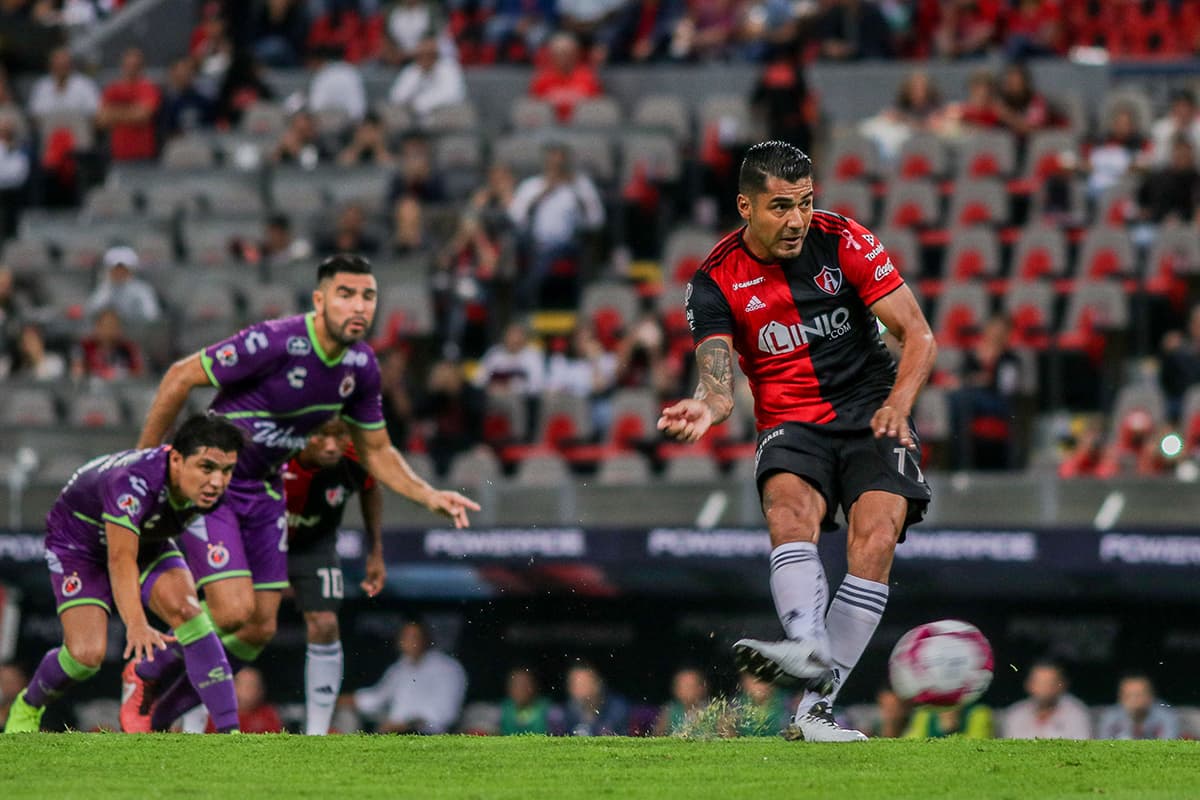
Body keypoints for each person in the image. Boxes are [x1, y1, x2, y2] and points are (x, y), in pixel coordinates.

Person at [119, 254, 479, 732]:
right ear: (319, 300)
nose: (359, 306)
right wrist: (142, 469)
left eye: (368, 296)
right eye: (346, 294)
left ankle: (161, 713)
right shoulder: (275, 341)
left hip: (265, 489)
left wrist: (428, 494)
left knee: (260, 627)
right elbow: (180, 376)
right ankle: (146, 670)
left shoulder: (361, 366)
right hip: (216, 487)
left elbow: (376, 450)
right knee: (232, 611)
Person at [658, 140, 935, 742]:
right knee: (789, 511)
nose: (797, 220)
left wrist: (897, 405)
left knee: (877, 538)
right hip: (791, 421)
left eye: (805, 203)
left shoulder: (845, 241)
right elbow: (720, 385)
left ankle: (814, 710)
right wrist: (706, 406)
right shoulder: (714, 281)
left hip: (871, 412)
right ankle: (806, 642)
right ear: (745, 206)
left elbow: (918, 334)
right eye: (781, 206)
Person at [6, 415, 243, 734]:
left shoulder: (211, 493)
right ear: (176, 458)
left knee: (188, 611)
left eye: (226, 470)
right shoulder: (133, 482)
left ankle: (232, 734)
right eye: (207, 467)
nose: (217, 481)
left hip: (147, 541)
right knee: (85, 657)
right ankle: (29, 704)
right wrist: (136, 624)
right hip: (80, 546)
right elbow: (120, 558)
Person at [283, 417, 384, 735]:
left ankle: (317, 731)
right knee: (243, 621)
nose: (330, 444)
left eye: (339, 435)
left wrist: (375, 550)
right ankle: (193, 712)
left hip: (317, 544)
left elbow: (371, 489)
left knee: (326, 623)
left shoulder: (355, 458)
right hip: (262, 541)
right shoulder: (275, 453)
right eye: (320, 434)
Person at [343, 621, 467, 734]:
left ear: (426, 639)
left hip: (428, 736)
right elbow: (377, 698)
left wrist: (405, 725)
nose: (409, 642)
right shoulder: (399, 667)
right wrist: (340, 700)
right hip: (394, 733)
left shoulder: (448, 667)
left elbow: (445, 714)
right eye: (405, 637)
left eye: (414, 637)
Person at [387, 33, 466, 126]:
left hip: (443, 117)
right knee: (391, 113)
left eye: (430, 55)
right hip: (414, 118)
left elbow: (452, 95)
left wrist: (420, 104)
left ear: (436, 55)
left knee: (457, 113)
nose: (425, 58)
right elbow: (396, 97)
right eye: (421, 55)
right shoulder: (412, 71)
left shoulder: (448, 68)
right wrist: (419, 75)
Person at [97, 47, 161, 162]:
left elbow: (143, 116)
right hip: (118, 154)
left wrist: (114, 113)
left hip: (143, 154)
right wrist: (132, 111)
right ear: (122, 65)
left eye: (135, 65)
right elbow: (102, 120)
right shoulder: (112, 89)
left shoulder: (148, 88)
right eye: (128, 65)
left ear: (141, 67)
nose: (131, 69)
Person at [1001, 661, 1091, 739]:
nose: (1044, 688)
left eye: (1049, 683)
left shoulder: (1077, 714)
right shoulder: (1015, 714)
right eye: (1039, 683)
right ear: (1028, 685)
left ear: (1062, 685)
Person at [85, 246, 161, 325]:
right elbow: (91, 313)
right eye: (115, 269)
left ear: (131, 270)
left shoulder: (143, 290)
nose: (119, 272)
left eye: (123, 269)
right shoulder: (103, 289)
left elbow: (152, 316)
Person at [554, 663, 629, 736]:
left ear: (597, 684)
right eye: (575, 684)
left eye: (583, 684)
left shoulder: (618, 710)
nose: (578, 690)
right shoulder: (562, 714)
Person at [1098, 674, 1180, 740]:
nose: (1133, 700)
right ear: (1120, 698)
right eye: (1128, 696)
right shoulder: (1110, 716)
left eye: (1138, 695)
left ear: (1150, 696)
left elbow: (1168, 746)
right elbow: (1104, 745)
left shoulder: (1166, 715)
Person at [71, 308, 145, 381]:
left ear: (119, 329)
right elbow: (77, 373)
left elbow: (139, 374)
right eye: (105, 325)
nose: (108, 330)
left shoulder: (129, 349)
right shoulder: (84, 346)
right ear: (97, 327)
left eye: (113, 326)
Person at [28, 46, 100, 119]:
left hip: (78, 126)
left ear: (71, 65)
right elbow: (34, 112)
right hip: (50, 127)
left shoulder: (85, 84)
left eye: (64, 65)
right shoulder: (42, 85)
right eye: (58, 65)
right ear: (51, 65)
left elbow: (94, 110)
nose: (61, 68)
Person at [653, 667, 710, 736]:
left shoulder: (713, 711)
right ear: (675, 689)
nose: (687, 691)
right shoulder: (669, 712)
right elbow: (657, 736)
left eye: (691, 686)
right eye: (684, 686)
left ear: (702, 688)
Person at [499, 667, 552, 735]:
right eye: (516, 684)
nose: (521, 689)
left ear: (534, 685)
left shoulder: (548, 710)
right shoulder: (501, 710)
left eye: (525, 684)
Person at [904, 701, 993, 738]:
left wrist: (951, 730)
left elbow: (978, 746)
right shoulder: (925, 714)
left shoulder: (978, 712)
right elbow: (911, 743)